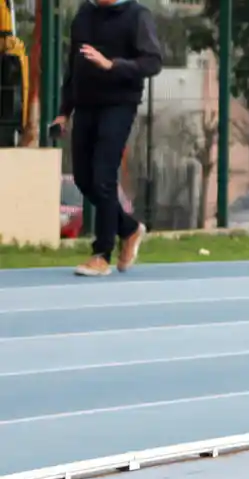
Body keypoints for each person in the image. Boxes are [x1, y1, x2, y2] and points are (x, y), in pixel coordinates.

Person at [50, 0, 161, 277]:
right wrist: (64, 112)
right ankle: (129, 229)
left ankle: (101, 254)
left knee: (103, 177)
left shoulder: (137, 15)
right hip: (86, 104)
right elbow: (74, 67)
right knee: (83, 179)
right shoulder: (84, 15)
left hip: (119, 105)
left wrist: (112, 65)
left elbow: (152, 62)